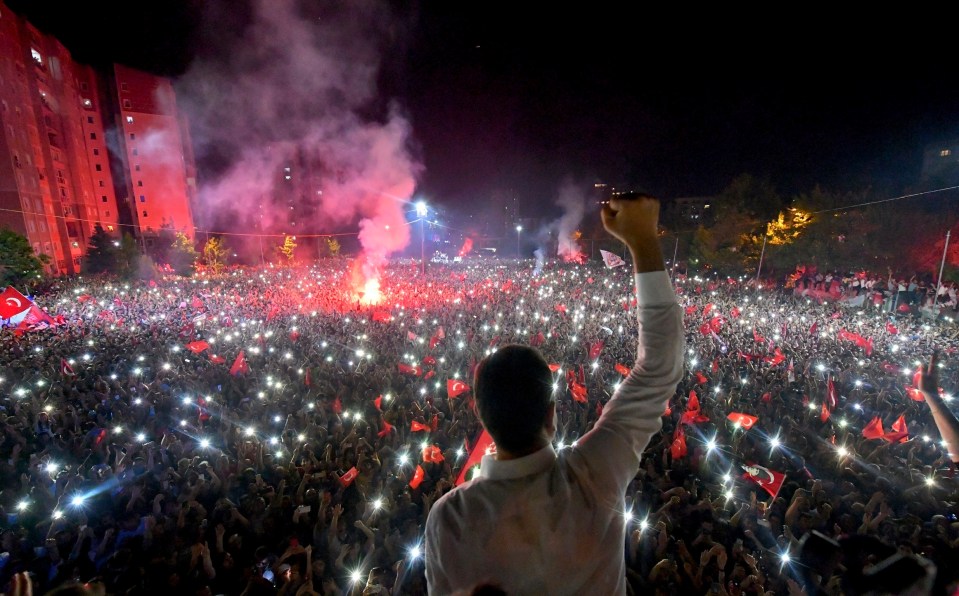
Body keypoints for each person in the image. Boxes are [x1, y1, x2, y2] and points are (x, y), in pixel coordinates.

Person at [424, 193, 685, 594]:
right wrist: (643, 241)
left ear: (481, 415)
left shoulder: (450, 519)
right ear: (552, 412)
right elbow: (659, 368)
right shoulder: (594, 476)